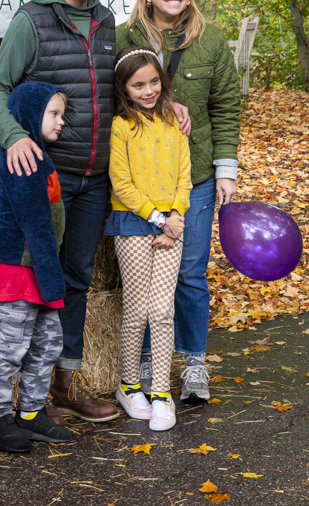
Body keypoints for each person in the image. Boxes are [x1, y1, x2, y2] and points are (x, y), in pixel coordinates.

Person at [0, 0, 127, 423]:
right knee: (37, 277)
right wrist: (13, 137)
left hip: (96, 177)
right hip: (51, 176)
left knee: (77, 279)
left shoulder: (108, 21)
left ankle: (65, 384)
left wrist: (167, 102)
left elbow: (126, 86)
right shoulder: (32, 21)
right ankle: (26, 399)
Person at [116, 0, 241, 402]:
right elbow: (109, 101)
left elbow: (227, 106)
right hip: (141, 181)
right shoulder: (120, 38)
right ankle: (147, 362)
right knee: (146, 277)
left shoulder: (210, 42)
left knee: (189, 271)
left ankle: (192, 362)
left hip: (196, 175)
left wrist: (226, 169)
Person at [0, 82, 75, 453]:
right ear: (31, 116)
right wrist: (53, 281)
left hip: (39, 267)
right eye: (54, 113)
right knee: (11, 348)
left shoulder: (37, 155)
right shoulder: (21, 158)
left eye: (62, 114)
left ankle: (32, 412)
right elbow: (34, 222)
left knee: (48, 342)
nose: (61, 121)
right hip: (17, 268)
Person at [105, 46, 192, 431]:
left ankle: (161, 393)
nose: (148, 90)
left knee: (162, 310)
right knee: (138, 309)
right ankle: (129, 385)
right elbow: (120, 183)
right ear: (125, 89)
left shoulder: (174, 123)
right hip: (135, 222)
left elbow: (184, 177)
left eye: (154, 81)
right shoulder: (122, 126)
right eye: (138, 85)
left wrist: (175, 216)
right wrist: (157, 219)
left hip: (171, 224)